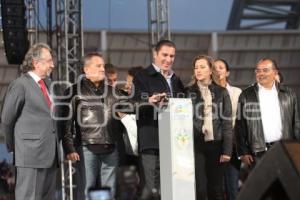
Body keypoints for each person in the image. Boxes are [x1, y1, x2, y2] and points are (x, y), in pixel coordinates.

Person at [0, 43, 58, 200]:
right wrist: (14, 147)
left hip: (50, 156)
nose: (53, 65)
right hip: (29, 155)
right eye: (49, 61)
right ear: (36, 63)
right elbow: (6, 119)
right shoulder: (20, 85)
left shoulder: (49, 85)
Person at [61, 52, 121, 199]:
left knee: (110, 193)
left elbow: (132, 104)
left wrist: (150, 100)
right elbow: (66, 122)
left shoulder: (112, 91)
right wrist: (69, 148)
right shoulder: (74, 91)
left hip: (110, 148)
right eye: (98, 65)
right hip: (86, 148)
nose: (102, 69)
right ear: (86, 70)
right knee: (87, 192)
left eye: (103, 66)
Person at [132, 39, 185, 199]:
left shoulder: (176, 80)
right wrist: (148, 101)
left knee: (171, 190)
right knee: (150, 190)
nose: (168, 59)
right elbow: (131, 104)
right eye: (165, 55)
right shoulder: (142, 77)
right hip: (151, 142)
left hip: (175, 144)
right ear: (155, 54)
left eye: (172, 56)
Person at [236, 58, 300, 168]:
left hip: (285, 149)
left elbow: (296, 123)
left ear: (275, 72)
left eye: (265, 70)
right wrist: (242, 152)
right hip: (258, 152)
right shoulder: (246, 95)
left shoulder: (289, 94)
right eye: (258, 71)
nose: (261, 74)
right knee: (261, 185)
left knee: (286, 183)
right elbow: (239, 125)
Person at [186, 55, 232, 200]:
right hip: (196, 144)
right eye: (196, 67)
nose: (198, 70)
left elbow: (227, 123)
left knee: (216, 188)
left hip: (216, 145)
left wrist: (227, 150)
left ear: (210, 70)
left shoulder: (222, 92)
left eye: (202, 67)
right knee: (200, 187)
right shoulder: (188, 91)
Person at [213, 58, 242, 200]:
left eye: (221, 67)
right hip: (213, 145)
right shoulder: (207, 93)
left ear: (227, 72)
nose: (217, 70)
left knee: (232, 186)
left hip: (232, 146)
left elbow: (241, 120)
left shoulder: (237, 92)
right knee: (216, 187)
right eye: (214, 68)